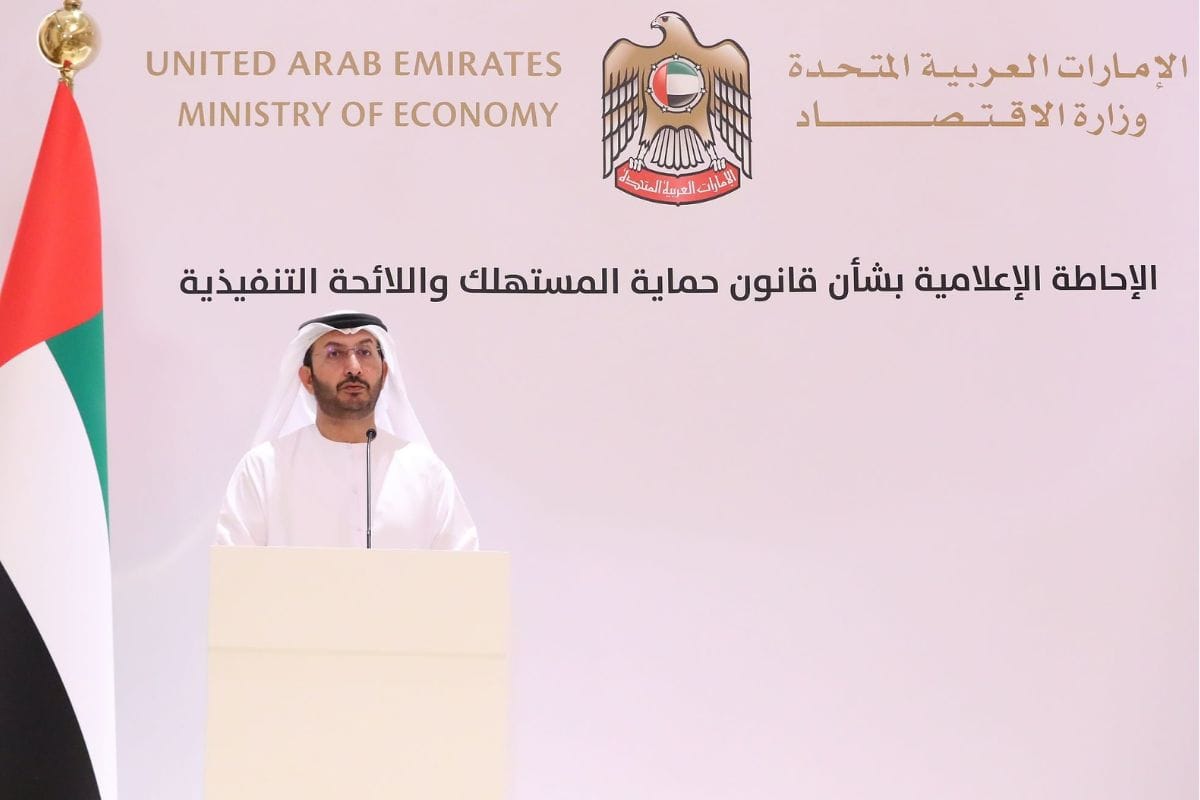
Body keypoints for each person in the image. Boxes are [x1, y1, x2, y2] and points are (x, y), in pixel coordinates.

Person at [216, 311, 477, 549]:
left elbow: (463, 572)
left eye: (365, 352)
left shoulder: (426, 472)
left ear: (384, 373)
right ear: (307, 378)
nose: (353, 367)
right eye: (334, 353)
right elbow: (234, 572)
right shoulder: (263, 469)